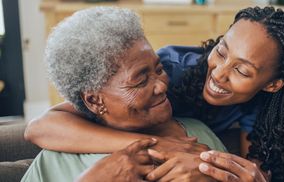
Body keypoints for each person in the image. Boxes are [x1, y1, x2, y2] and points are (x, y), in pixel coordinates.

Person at [25, 6, 284, 182]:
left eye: (243, 71)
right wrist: (157, 145)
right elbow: (40, 126)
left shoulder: (200, 133)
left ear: (272, 84)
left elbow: (253, 166)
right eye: (221, 51)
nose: (220, 73)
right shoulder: (174, 69)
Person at [21, 7, 226, 182]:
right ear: (94, 100)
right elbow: (37, 127)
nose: (161, 86)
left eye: (159, 69)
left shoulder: (196, 133)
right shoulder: (56, 159)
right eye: (140, 80)